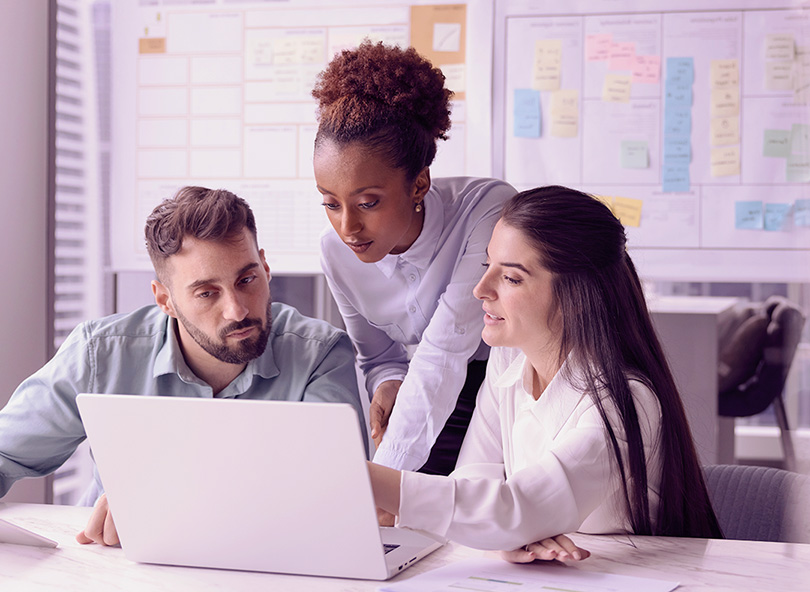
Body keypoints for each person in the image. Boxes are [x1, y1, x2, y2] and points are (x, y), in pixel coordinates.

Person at [367, 185, 723, 560]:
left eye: (512, 278)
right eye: (488, 267)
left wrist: (373, 480)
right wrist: (510, 532)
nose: (480, 290)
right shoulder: (508, 364)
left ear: (575, 295)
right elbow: (477, 478)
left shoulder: (626, 401)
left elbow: (512, 509)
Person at [0, 186, 367, 546]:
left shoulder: (320, 356)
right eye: (207, 293)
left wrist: (167, 503)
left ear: (266, 269)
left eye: (247, 279)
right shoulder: (100, 354)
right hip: (113, 561)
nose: (237, 310)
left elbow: (337, 495)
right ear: (166, 300)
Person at [313, 41, 517, 478]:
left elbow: (446, 350)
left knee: (472, 520)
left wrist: (385, 485)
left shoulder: (486, 209)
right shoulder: (336, 253)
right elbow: (379, 355)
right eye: (330, 203)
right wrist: (388, 382)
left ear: (419, 183)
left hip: (507, 388)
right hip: (426, 396)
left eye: (368, 203)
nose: (347, 227)